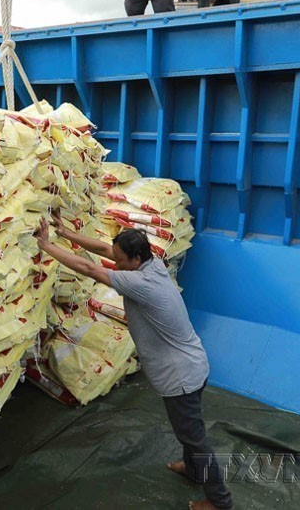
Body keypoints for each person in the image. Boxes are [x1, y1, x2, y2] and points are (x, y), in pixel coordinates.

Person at [35, 216, 234, 510]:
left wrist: (45, 244)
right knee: (190, 432)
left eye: (121, 260)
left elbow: (90, 268)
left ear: (136, 258)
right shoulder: (153, 265)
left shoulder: (139, 283)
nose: (116, 263)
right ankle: (193, 471)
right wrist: (66, 233)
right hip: (193, 363)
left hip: (181, 376)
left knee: (194, 437)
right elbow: (105, 250)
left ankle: (220, 501)